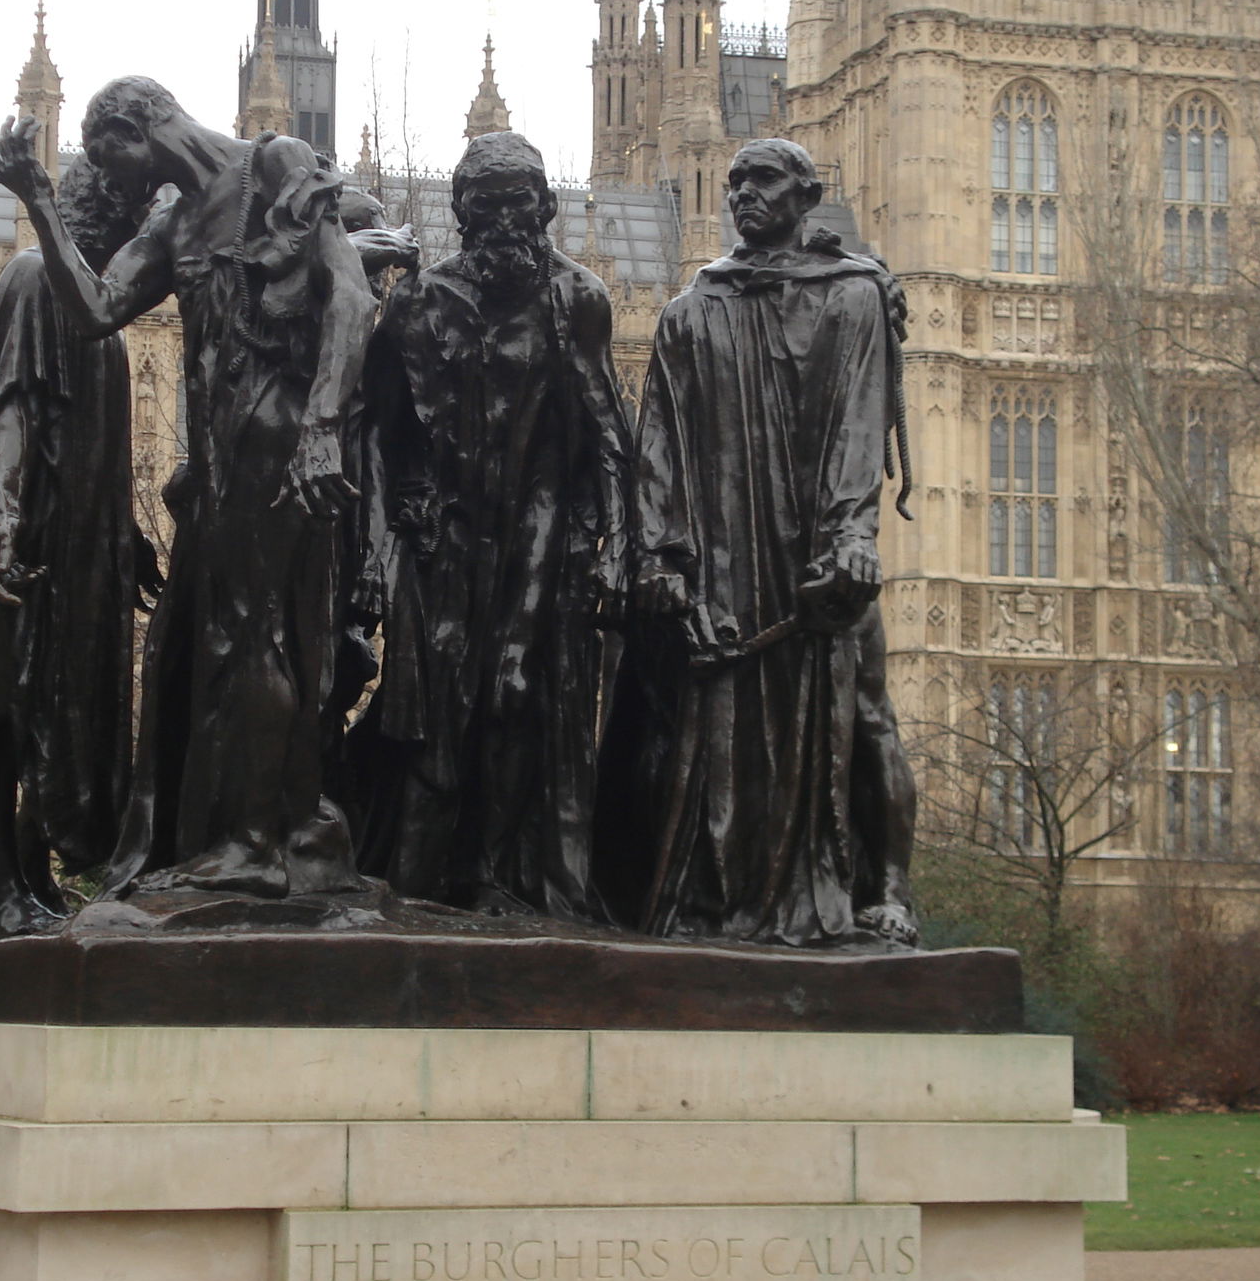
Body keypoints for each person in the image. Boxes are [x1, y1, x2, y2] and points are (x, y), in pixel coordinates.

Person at [0, 79, 376, 899]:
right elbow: (93, 308)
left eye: (107, 153)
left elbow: (353, 298)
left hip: (280, 440)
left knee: (257, 636)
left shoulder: (276, 167)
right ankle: (230, 833)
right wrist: (40, 204)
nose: (109, 179)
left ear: (141, 126)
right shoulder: (172, 220)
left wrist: (323, 428)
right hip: (219, 462)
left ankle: (259, 846)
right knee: (202, 646)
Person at [595, 138, 919, 947]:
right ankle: (714, 894)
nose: (744, 193)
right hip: (726, 564)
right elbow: (658, 444)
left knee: (866, 717)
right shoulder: (691, 309)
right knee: (707, 734)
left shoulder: (852, 300)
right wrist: (660, 556)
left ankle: (886, 891)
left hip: (820, 557)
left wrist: (850, 532)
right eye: (734, 180)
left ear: (805, 195)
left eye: (763, 180)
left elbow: (857, 421)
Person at [351, 132, 632, 917]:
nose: (506, 220)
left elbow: (610, 439)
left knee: (516, 702)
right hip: (440, 544)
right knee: (432, 724)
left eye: (520, 202)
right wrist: (376, 546)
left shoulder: (578, 301)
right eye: (486, 205)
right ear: (462, 213)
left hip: (540, 544)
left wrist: (622, 549)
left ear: (544, 207)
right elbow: (372, 429)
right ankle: (414, 887)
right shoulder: (419, 305)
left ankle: (499, 882)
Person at [0, 156, 157, 938]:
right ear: (110, 213)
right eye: (134, 219)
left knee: (63, 719)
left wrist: (125, 537)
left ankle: (33, 878)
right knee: (2, 706)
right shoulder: (34, 279)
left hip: (85, 556)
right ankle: (3, 893)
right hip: (29, 541)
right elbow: (12, 411)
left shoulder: (103, 324)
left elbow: (96, 445)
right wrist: (3, 521)